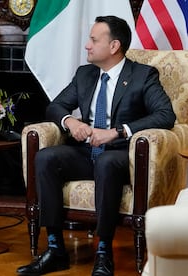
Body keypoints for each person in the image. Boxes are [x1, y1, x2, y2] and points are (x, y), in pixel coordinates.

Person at [16, 15, 176, 276]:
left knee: (106, 162)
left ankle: (104, 252)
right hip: (85, 152)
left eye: (93, 40)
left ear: (114, 46)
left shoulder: (142, 75)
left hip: (121, 155)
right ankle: (56, 249)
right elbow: (55, 106)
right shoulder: (85, 74)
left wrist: (116, 132)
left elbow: (165, 115)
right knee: (46, 158)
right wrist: (71, 123)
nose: (87, 46)